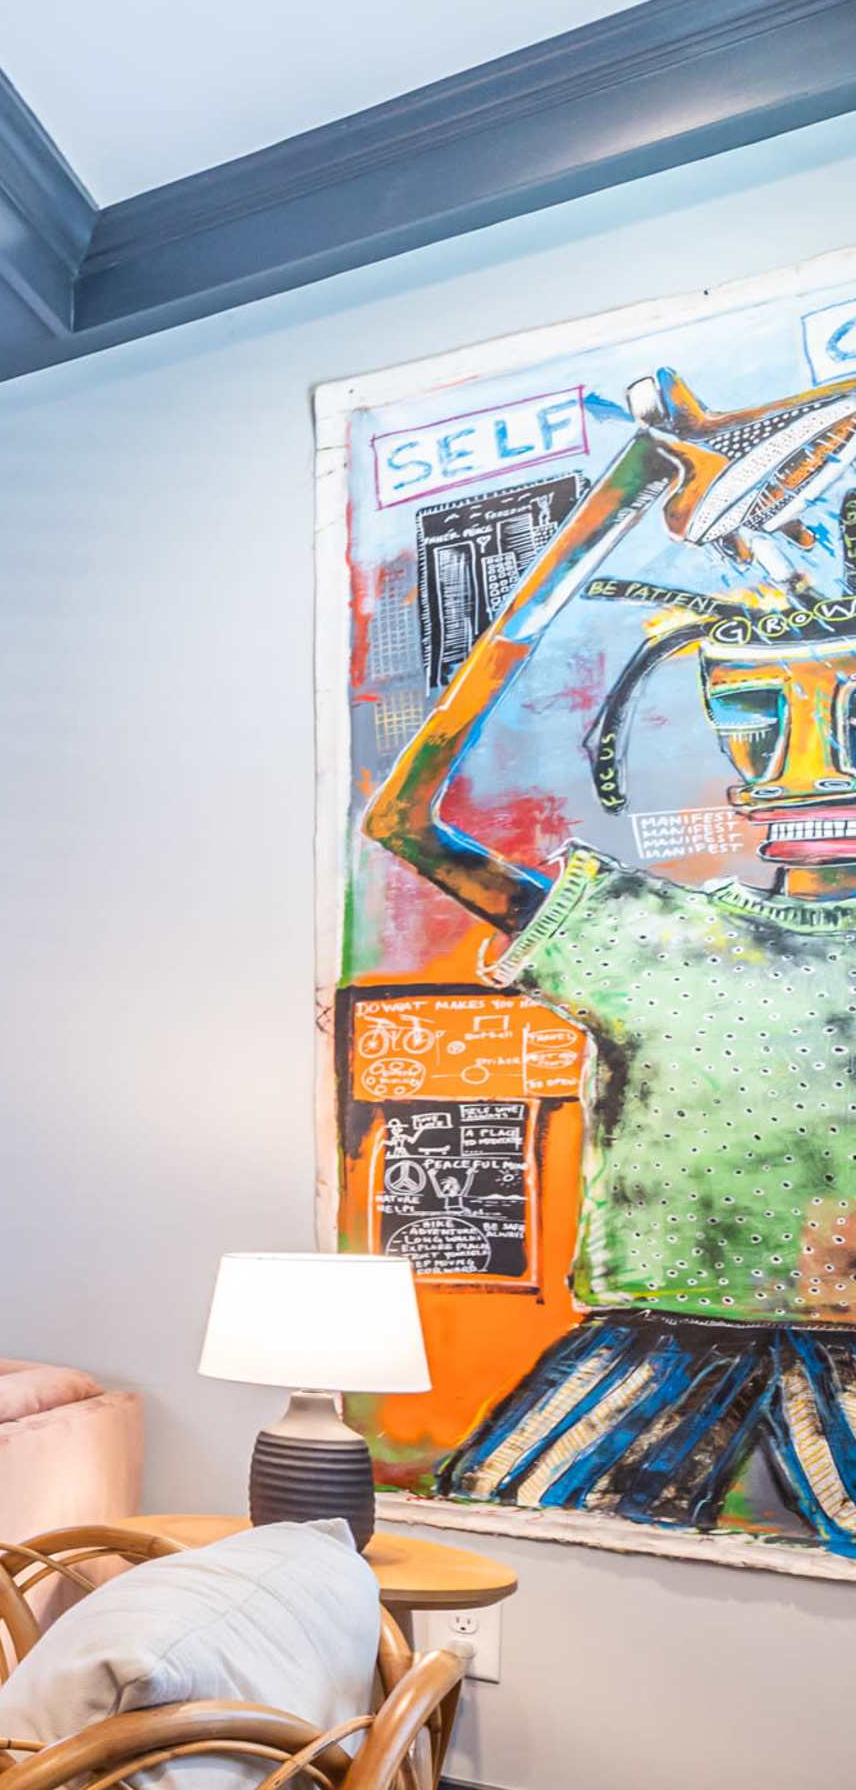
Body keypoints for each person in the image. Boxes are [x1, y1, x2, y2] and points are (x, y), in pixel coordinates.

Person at [362, 366, 856, 1550]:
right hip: (650, 1334)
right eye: (754, 716)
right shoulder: (643, 930)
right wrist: (606, 507)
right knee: (473, 1545)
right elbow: (403, 822)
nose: (804, 763)